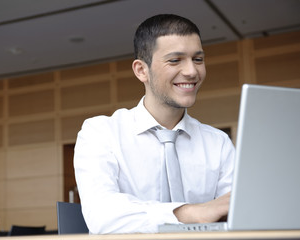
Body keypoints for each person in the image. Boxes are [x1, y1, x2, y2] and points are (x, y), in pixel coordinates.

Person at [74, 14, 235, 234]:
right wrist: (189, 213)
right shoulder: (100, 133)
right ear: (141, 70)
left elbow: (237, 213)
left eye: (198, 59)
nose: (192, 71)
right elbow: (103, 217)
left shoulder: (219, 143)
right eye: (175, 60)